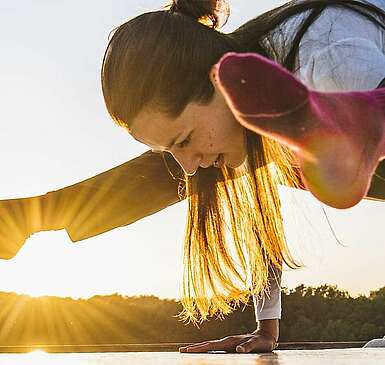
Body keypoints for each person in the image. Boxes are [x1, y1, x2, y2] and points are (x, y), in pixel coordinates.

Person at [1, 0, 385, 354]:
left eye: (182, 139)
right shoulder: (244, 93)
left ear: (218, 85)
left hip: (363, 100)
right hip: (337, 136)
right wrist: (267, 328)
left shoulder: (329, 58)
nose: (187, 165)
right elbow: (262, 214)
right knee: (193, 161)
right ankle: (27, 217)